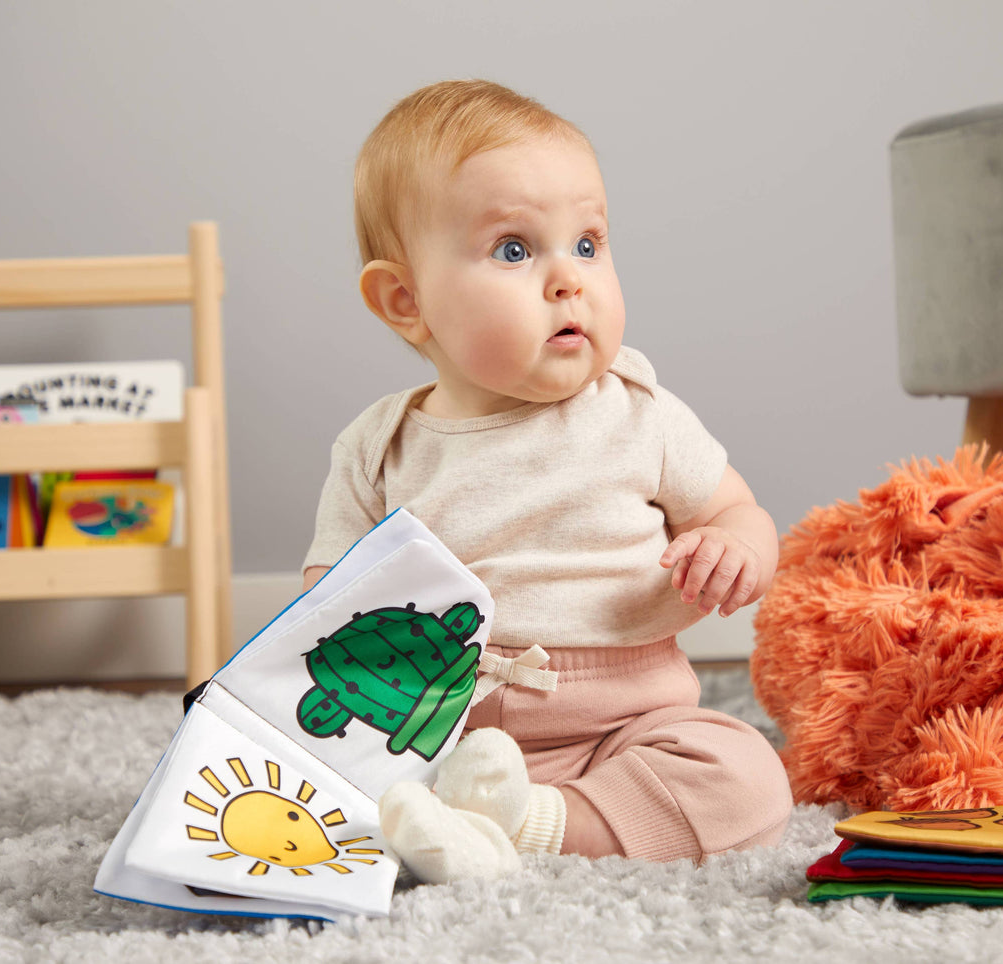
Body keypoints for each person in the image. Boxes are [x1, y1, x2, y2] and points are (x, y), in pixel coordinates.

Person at [302, 79, 791, 882]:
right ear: (405, 300)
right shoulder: (378, 447)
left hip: (622, 727)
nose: (569, 279)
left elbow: (738, 508)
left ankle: (533, 823)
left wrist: (735, 548)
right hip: (428, 727)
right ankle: (441, 815)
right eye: (514, 249)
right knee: (298, 774)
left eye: (588, 244)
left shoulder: (642, 415)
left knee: (744, 777)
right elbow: (328, 602)